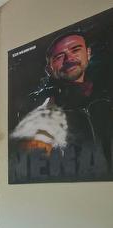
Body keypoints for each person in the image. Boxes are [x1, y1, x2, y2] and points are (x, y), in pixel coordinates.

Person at [10, 31, 113, 163]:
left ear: (88, 53)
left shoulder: (106, 93)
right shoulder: (36, 105)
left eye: (75, 50)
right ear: (49, 68)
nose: (69, 59)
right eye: (59, 57)